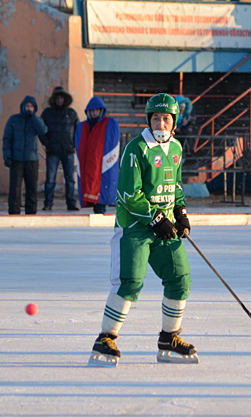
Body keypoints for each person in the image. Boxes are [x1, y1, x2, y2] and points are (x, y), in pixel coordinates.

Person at [88, 93, 197, 368]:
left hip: (164, 226)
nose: (161, 124)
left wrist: (180, 213)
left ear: (175, 122)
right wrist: (155, 218)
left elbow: (176, 187)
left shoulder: (176, 149)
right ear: (149, 120)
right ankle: (106, 338)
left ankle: (169, 338)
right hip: (135, 227)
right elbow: (128, 193)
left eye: (166, 119)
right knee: (131, 282)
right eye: (156, 119)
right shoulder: (137, 148)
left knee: (180, 278)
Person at [2, 96, 48, 215]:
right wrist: (7, 156)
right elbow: (7, 139)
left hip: (32, 160)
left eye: (31, 106)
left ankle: (31, 212)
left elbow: (43, 130)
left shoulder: (36, 120)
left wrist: (33, 117)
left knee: (32, 188)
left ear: (34, 108)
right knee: (15, 189)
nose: (29, 108)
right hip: (16, 160)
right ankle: (14, 211)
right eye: (27, 106)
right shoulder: (13, 120)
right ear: (22, 106)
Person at [75, 96, 120, 214]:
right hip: (89, 163)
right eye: (92, 110)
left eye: (97, 110)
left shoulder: (110, 124)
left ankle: (100, 211)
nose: (95, 113)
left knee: (101, 191)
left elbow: (112, 143)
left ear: (101, 111)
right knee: (92, 188)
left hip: (102, 163)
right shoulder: (82, 126)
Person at [39, 86, 79, 211]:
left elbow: (78, 132)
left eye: (61, 98)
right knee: (50, 179)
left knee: (70, 180)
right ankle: (48, 203)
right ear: (54, 99)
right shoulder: (47, 113)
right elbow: (41, 131)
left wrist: (73, 145)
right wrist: (48, 144)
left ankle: (71, 204)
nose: (59, 100)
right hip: (53, 152)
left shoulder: (71, 113)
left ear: (65, 99)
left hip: (68, 151)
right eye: (57, 98)